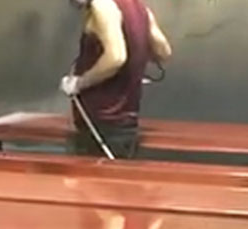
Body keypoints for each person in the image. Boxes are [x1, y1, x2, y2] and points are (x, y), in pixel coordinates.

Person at [61, 0, 171, 158]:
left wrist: (78, 83)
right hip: (126, 124)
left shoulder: (102, 5)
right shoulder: (138, 7)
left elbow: (116, 57)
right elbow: (163, 51)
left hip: (100, 124)